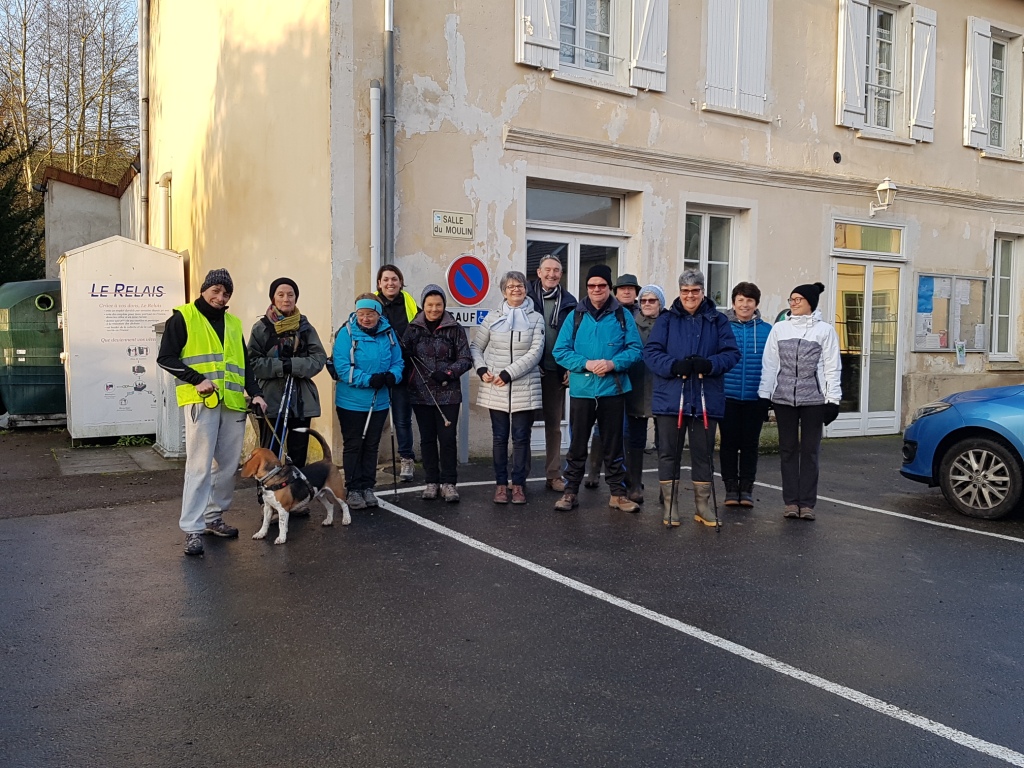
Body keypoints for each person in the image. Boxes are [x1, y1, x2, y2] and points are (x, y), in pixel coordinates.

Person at [157, 269, 267, 556]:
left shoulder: (233, 323)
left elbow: (244, 364)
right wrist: (197, 379)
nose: (220, 297)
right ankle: (192, 529)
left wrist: (256, 393)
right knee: (199, 467)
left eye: (226, 293)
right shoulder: (183, 317)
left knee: (227, 467)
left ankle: (212, 517)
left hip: (232, 403)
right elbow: (165, 357)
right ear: (204, 289)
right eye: (216, 291)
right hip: (201, 402)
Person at [645, 269, 739, 527]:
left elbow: (732, 353)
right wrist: (673, 365)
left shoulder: (718, 320)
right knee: (668, 453)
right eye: (685, 291)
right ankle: (670, 506)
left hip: (705, 398)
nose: (690, 295)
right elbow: (651, 353)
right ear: (679, 292)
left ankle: (703, 507)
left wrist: (710, 364)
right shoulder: (666, 320)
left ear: (703, 292)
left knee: (703, 454)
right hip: (671, 398)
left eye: (695, 291)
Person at [552, 264, 643, 513]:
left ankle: (617, 494)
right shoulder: (575, 316)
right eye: (591, 285)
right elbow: (560, 351)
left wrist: (613, 364)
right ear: (587, 287)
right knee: (577, 445)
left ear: (609, 287)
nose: (596, 289)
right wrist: (586, 364)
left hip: (613, 390)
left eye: (601, 285)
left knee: (613, 445)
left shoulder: (622, 316)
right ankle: (570, 492)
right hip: (582, 391)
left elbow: (636, 350)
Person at [758, 282, 842, 521]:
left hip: (813, 399)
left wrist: (833, 399)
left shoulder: (824, 331)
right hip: (783, 399)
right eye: (791, 299)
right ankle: (790, 503)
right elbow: (770, 364)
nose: (793, 303)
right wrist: (765, 396)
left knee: (810, 451)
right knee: (787, 450)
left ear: (810, 303)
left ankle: (806, 503)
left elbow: (832, 367)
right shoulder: (780, 329)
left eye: (798, 299)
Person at [471, 271, 544, 505]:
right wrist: (481, 369)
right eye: (510, 286)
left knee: (521, 438)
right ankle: (501, 485)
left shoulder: (536, 318)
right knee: (499, 438)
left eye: (519, 285)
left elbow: (536, 352)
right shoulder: (492, 318)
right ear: (503, 291)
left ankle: (519, 485)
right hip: (496, 388)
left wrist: (508, 373)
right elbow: (475, 347)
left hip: (524, 386)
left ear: (526, 289)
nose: (516, 290)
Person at [333, 293, 404, 510]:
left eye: (370, 314)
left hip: (379, 401)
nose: (365, 318)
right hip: (351, 402)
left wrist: (393, 376)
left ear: (378, 314)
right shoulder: (346, 333)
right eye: (361, 314)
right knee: (354, 444)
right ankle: (353, 488)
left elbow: (398, 361)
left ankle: (368, 487)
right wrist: (369, 380)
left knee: (372, 445)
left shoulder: (388, 333)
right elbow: (342, 367)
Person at [403, 285, 473, 502]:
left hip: (448, 393)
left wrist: (448, 373)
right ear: (423, 305)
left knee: (447, 438)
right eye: (430, 305)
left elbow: (466, 358)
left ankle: (449, 482)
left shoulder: (455, 329)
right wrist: (405, 354)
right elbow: (403, 356)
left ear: (444, 305)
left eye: (438, 305)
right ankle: (431, 481)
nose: (434, 309)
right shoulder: (413, 329)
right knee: (427, 439)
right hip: (421, 393)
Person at [247, 277, 327, 468]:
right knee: (270, 454)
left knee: (298, 454)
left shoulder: (305, 328)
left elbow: (319, 358)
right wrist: (279, 366)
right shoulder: (261, 328)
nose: (286, 299)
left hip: (300, 402)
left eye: (290, 295)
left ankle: (295, 486)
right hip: (270, 400)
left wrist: (293, 365)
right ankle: (267, 487)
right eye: (281, 295)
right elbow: (251, 362)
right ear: (273, 298)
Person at [584, 272, 643, 488]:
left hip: (638, 379)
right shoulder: (606, 312)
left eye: (631, 288)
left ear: (636, 292)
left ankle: (629, 478)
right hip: (610, 379)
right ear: (615, 291)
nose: (626, 292)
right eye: (622, 288)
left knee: (629, 431)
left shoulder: (644, 311)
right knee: (603, 428)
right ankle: (593, 472)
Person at [527, 255, 577, 493]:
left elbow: (575, 337)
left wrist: (570, 366)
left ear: (561, 274)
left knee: (554, 426)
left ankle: (554, 474)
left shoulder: (569, 302)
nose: (552, 274)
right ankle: (519, 476)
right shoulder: (526, 297)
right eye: (547, 270)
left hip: (556, 370)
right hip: (528, 370)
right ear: (538, 272)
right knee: (523, 426)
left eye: (556, 270)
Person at [720, 282, 772, 507]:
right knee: (729, 443)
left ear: (756, 304)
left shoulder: (767, 330)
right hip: (727, 396)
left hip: (755, 397)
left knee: (750, 444)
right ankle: (731, 488)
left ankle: (747, 488)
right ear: (733, 303)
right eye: (740, 300)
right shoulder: (722, 327)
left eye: (749, 300)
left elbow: (773, 363)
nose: (744, 305)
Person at [376, 265, 419, 482]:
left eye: (394, 279)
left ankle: (406, 460)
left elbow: (421, 329)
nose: (390, 283)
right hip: (377, 371)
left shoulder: (410, 304)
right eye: (386, 280)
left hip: (402, 370)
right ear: (379, 283)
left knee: (402, 419)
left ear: (400, 282)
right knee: (374, 420)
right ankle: (368, 459)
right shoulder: (372, 304)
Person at [624, 284, 665, 503]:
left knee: (665, 442)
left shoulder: (669, 323)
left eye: (652, 300)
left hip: (662, 388)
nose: (647, 304)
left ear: (660, 303)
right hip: (636, 386)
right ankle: (634, 485)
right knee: (635, 439)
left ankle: (666, 488)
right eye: (643, 301)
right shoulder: (630, 324)